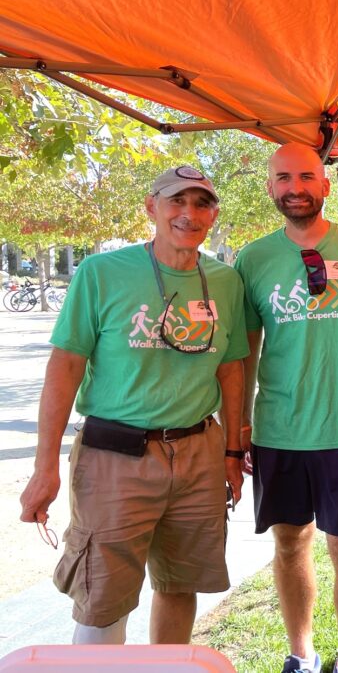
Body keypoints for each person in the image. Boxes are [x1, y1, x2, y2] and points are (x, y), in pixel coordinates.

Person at [18, 166, 247, 645]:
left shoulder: (225, 281)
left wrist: (231, 452)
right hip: (116, 455)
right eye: (176, 201)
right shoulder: (102, 273)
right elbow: (64, 369)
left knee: (180, 584)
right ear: (152, 207)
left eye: (201, 203)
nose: (188, 213)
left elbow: (231, 370)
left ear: (213, 214)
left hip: (198, 454)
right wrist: (45, 469)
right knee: (103, 597)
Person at [235, 144, 338, 673]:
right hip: (279, 429)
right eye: (282, 178)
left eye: (306, 176)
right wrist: (242, 425)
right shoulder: (252, 259)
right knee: (290, 545)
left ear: (325, 185)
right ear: (270, 188)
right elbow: (245, 352)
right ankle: (300, 654)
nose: (294, 187)